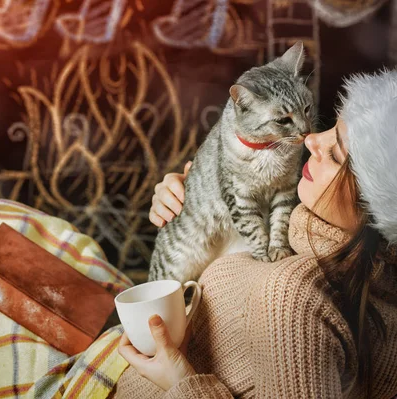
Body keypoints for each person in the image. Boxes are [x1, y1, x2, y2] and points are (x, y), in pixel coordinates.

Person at [115, 69, 397, 398]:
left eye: (334, 154)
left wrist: (180, 381)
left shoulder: (293, 298)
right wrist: (197, 197)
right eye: (332, 125)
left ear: (373, 207)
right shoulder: (322, 248)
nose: (311, 139)